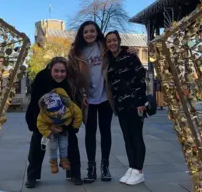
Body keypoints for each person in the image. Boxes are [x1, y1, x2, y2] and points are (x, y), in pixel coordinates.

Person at [25, 57, 83, 188]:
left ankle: (75, 173)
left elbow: (74, 105)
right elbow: (35, 104)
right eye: (56, 71)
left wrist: (69, 125)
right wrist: (47, 126)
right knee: (37, 146)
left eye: (62, 71)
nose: (59, 74)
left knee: (72, 144)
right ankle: (32, 176)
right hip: (43, 120)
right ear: (51, 69)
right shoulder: (41, 79)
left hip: (66, 120)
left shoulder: (70, 82)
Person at [68, 20, 114, 183]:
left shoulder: (105, 47)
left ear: (97, 32)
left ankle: (105, 167)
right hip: (87, 99)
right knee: (90, 133)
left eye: (92, 31)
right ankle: (91, 168)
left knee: (106, 131)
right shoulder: (75, 52)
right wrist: (81, 95)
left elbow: (118, 52)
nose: (89, 34)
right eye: (86, 31)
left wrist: (129, 50)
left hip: (105, 97)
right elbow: (72, 76)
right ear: (81, 34)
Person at [105, 30, 147, 185]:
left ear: (119, 40)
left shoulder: (130, 56)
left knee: (136, 136)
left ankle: (139, 170)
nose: (112, 43)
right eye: (109, 41)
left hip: (135, 103)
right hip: (121, 105)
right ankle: (132, 167)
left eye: (114, 40)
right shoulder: (109, 59)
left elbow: (141, 78)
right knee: (127, 138)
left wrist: (141, 102)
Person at [37, 88, 82, 174]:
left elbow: (78, 114)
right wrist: (48, 133)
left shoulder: (69, 106)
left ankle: (63, 160)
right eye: (52, 112)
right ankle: (53, 162)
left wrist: (75, 127)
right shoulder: (43, 114)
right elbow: (40, 124)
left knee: (64, 145)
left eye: (58, 111)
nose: (56, 114)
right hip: (52, 131)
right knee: (52, 147)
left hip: (63, 130)